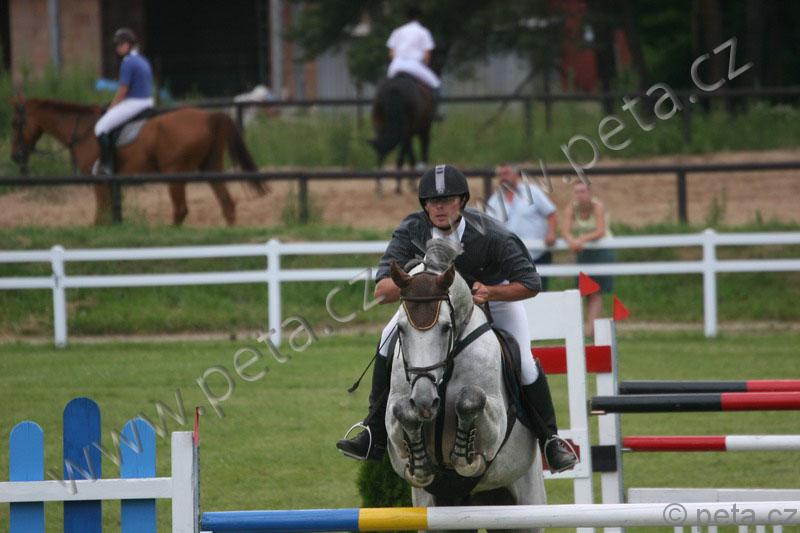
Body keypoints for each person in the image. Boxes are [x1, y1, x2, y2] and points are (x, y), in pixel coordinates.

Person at [336, 164, 579, 474]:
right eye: (433, 201)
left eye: (447, 200)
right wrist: (419, 277)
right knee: (386, 339)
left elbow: (531, 283)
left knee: (525, 360)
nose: (440, 208)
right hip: (431, 303)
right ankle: (372, 432)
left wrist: (492, 291)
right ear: (424, 205)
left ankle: (550, 440)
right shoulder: (411, 230)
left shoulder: (491, 233)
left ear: (462, 201)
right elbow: (382, 292)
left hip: (489, 299)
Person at [486, 164, 557, 291]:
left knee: (540, 294)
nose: (503, 178)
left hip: (538, 254)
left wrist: (551, 232)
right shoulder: (494, 201)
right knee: (516, 294)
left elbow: (551, 213)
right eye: (500, 175)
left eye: (506, 173)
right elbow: (489, 228)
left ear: (516, 175)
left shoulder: (532, 191)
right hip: (509, 259)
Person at [93, 27, 154, 175]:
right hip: (148, 101)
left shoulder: (128, 62)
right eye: (117, 45)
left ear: (127, 44)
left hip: (135, 103)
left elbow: (122, 90)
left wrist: (111, 108)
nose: (117, 48)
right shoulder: (142, 59)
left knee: (100, 127)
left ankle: (107, 166)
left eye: (120, 44)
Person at [561, 181, 615, 337]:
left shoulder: (598, 206)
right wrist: (572, 241)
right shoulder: (571, 208)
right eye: (577, 191)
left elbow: (600, 231)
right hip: (583, 252)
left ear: (590, 193)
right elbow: (565, 231)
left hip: (601, 252)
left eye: (583, 191)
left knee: (596, 291)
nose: (580, 195)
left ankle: (590, 329)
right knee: (584, 291)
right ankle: (588, 327)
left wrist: (581, 239)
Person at [386, 8, 441, 95]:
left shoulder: (397, 31)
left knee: (386, 87)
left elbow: (391, 53)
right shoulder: (423, 32)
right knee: (436, 84)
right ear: (419, 18)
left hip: (395, 66)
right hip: (414, 65)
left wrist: (398, 61)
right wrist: (424, 66)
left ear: (406, 18)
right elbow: (427, 56)